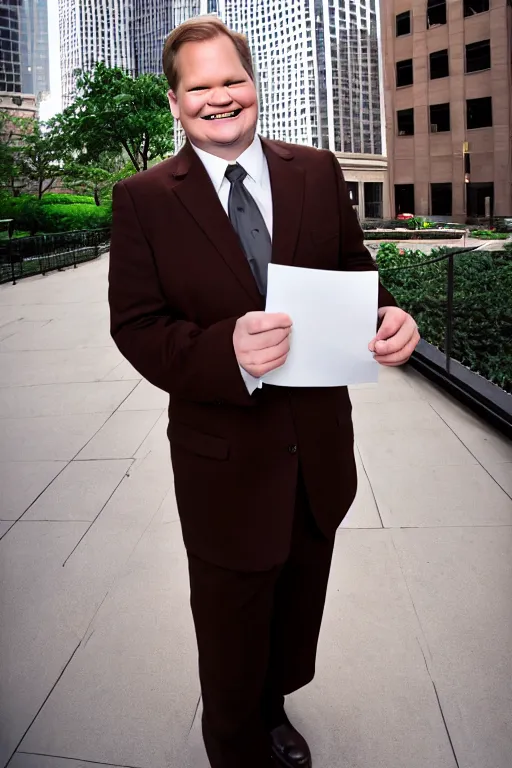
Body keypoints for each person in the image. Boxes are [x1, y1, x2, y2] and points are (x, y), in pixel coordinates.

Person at [108, 16, 419, 768]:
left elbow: (353, 272)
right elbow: (138, 326)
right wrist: (227, 351)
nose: (221, 98)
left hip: (316, 453)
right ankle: (235, 743)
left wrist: (389, 317)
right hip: (224, 462)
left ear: (255, 84)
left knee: (294, 603)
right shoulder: (144, 198)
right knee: (231, 621)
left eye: (232, 80)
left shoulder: (316, 170)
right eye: (200, 87)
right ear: (176, 103)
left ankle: (273, 711)